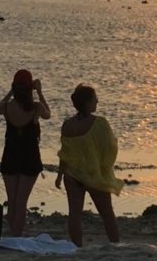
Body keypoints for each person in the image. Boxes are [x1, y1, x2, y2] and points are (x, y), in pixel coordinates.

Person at [55, 85, 122, 247]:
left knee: (74, 214)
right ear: (87, 102)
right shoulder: (100, 123)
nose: (97, 101)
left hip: (71, 174)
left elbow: (65, 153)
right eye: (94, 98)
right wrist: (104, 169)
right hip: (93, 175)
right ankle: (115, 245)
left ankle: (77, 247)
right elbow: (110, 148)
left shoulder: (67, 125)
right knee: (107, 214)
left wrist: (59, 175)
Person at [0, 69, 51, 236]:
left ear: (14, 86)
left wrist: (10, 92)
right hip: (30, 155)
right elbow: (48, 114)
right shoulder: (35, 108)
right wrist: (40, 92)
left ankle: (14, 232)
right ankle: (16, 234)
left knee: (12, 199)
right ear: (30, 88)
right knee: (21, 201)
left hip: (11, 154)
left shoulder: (7, 107)